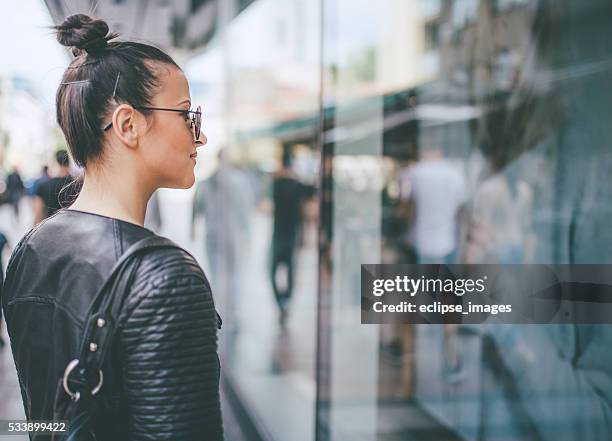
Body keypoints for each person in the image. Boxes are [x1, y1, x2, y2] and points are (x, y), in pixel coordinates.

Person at [0, 14, 223, 440]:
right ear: (127, 125)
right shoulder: (165, 277)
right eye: (186, 116)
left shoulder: (31, 249)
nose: (201, 137)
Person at [270, 150, 315, 326]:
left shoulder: (277, 184)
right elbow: (313, 190)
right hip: (293, 234)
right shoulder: (297, 185)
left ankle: (281, 301)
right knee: (290, 271)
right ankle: (286, 300)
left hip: (278, 233)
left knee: (273, 271)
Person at [33, 150, 77, 223]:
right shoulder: (79, 185)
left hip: (51, 229)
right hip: (74, 228)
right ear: (69, 163)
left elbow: (38, 213)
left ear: (56, 163)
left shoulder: (44, 186)